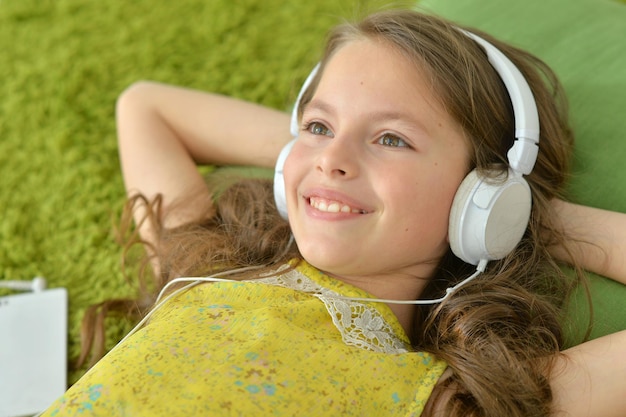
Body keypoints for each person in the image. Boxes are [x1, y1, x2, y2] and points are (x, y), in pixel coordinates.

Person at [41, 9, 626, 417]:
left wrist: (531, 219)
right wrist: (317, 153)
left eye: (392, 139)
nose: (332, 160)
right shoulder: (204, 267)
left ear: (483, 196)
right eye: (318, 126)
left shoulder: (454, 399)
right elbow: (147, 106)